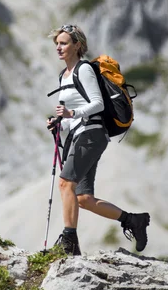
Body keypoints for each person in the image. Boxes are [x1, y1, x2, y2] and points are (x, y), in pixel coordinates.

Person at [46, 24, 150, 256]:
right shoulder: (63, 76)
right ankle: (134, 221)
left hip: (91, 134)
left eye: (63, 43)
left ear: (77, 45)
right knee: (83, 198)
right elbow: (70, 116)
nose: (58, 48)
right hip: (79, 134)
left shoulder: (84, 70)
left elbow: (98, 104)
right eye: (57, 44)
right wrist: (59, 123)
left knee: (65, 183)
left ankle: (70, 244)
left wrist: (72, 114)